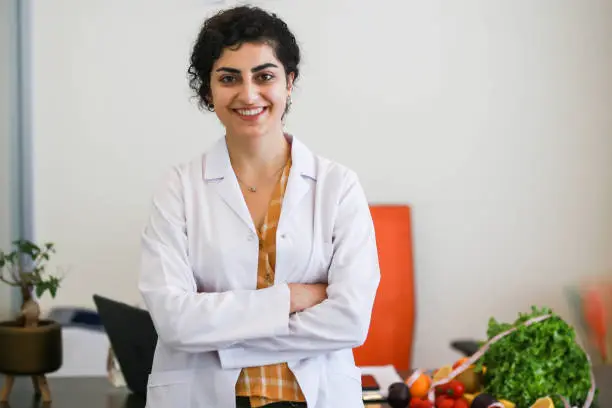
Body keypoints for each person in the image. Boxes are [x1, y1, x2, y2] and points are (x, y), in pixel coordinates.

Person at [138, 5, 380, 408]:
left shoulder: (338, 187)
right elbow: (174, 321)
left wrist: (222, 335)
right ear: (208, 91)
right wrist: (291, 298)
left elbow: (351, 320)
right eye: (229, 78)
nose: (248, 94)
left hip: (315, 396)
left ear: (290, 83)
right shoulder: (178, 188)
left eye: (264, 76)